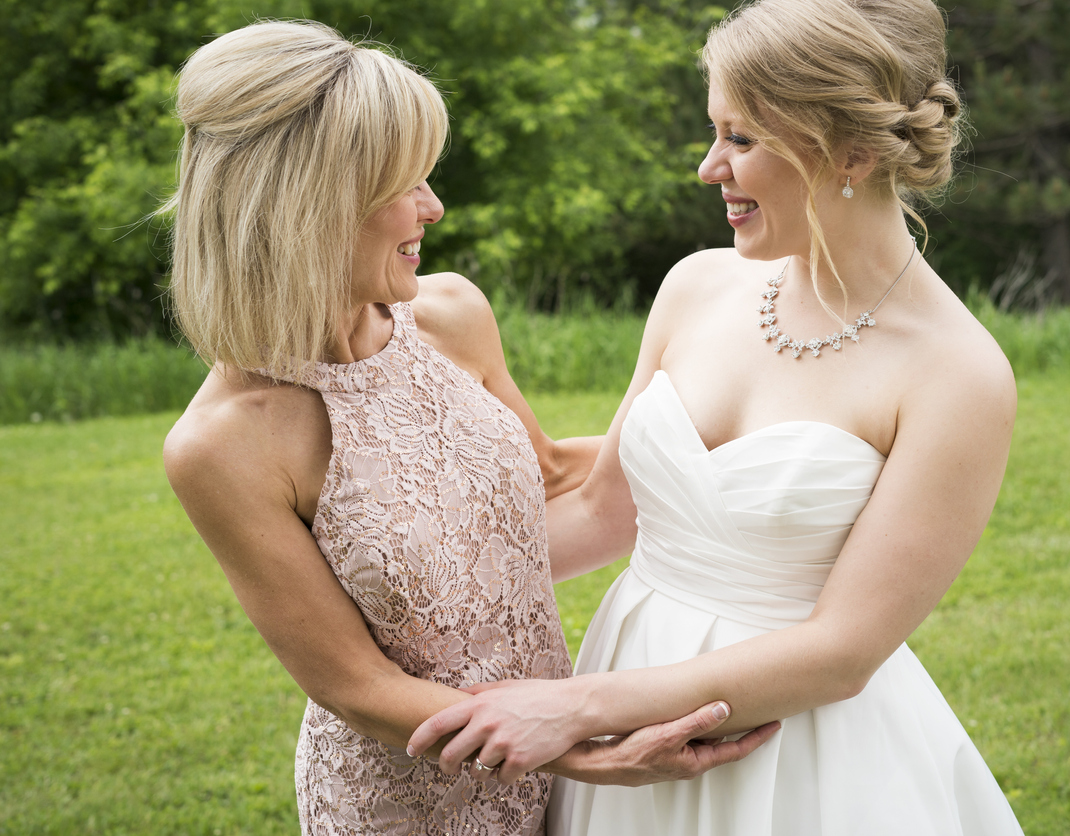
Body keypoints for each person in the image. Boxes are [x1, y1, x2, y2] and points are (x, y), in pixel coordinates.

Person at [406, 0, 1025, 833]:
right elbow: (600, 511)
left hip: (797, 751)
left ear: (849, 149)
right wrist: (400, 598)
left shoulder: (959, 373)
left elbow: (842, 653)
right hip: (624, 690)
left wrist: (577, 707)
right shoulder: (696, 285)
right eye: (714, 133)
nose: (708, 167)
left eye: (741, 139)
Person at [161, 20, 776, 836]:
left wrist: (763, 443)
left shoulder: (449, 313)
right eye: (404, 185)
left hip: (551, 765)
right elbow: (354, 688)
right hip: (406, 801)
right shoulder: (222, 445)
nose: (434, 207)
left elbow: (555, 475)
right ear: (304, 207)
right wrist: (572, 745)